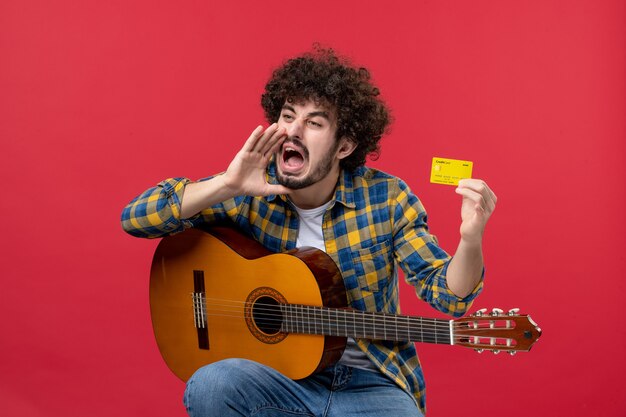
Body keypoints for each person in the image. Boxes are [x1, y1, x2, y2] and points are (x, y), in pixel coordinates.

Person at [121, 47, 496, 417]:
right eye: (287, 116)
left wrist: (470, 239)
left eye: (314, 123)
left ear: (344, 146)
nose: (293, 132)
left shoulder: (387, 198)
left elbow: (451, 298)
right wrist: (225, 185)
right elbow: (136, 218)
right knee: (212, 383)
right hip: (276, 378)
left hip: (370, 383)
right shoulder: (245, 192)